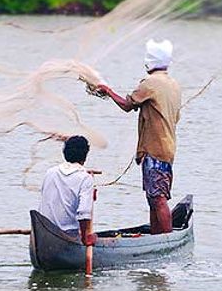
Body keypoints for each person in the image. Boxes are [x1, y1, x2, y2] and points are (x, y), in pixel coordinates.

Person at [96, 39, 181, 234]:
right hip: (167, 148)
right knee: (154, 197)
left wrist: (107, 91)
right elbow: (176, 116)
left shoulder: (150, 84)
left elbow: (127, 105)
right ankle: (156, 235)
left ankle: (165, 240)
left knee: (158, 198)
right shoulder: (173, 84)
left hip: (155, 150)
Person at [38, 135, 97, 247]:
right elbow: (84, 213)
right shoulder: (85, 178)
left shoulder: (50, 172)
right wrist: (85, 239)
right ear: (85, 156)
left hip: (43, 232)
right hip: (68, 235)